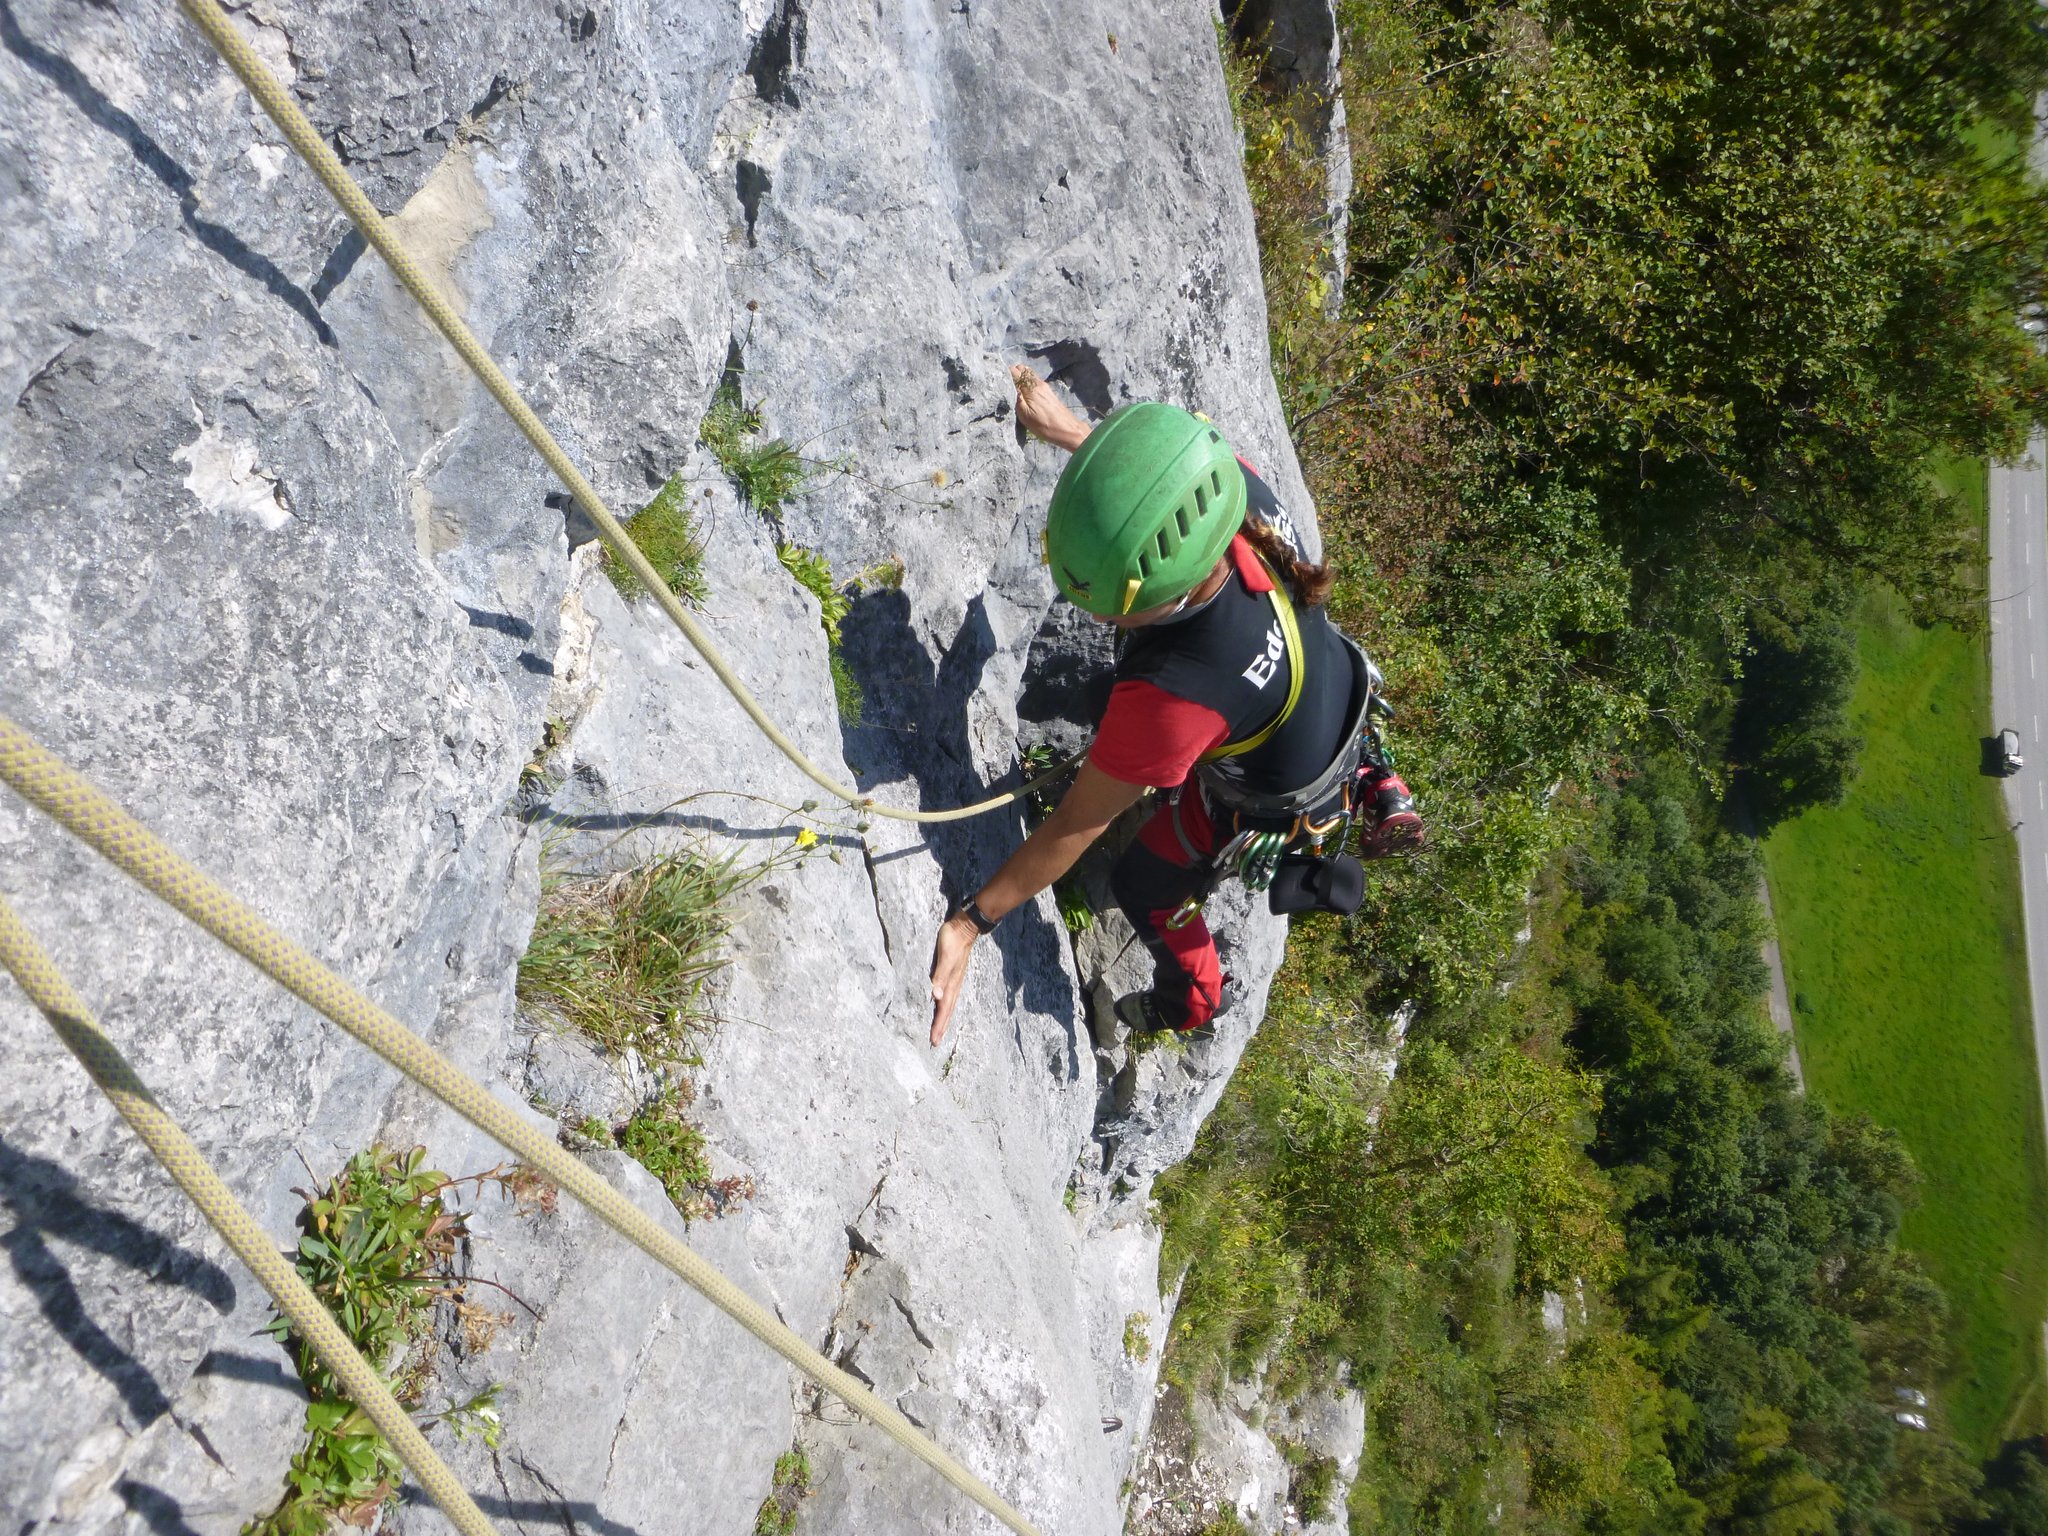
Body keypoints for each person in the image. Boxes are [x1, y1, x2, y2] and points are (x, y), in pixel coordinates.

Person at [926, 366, 1420, 1047]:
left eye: (1107, 608)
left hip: (1272, 793)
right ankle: (1374, 778)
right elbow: (1165, 490)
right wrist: (1072, 433)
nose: (1099, 618)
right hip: (1333, 699)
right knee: (1248, 722)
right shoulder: (1228, 483)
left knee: (1144, 882)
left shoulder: (1179, 692)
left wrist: (969, 923)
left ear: (1160, 597)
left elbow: (1078, 823)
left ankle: (1192, 999)